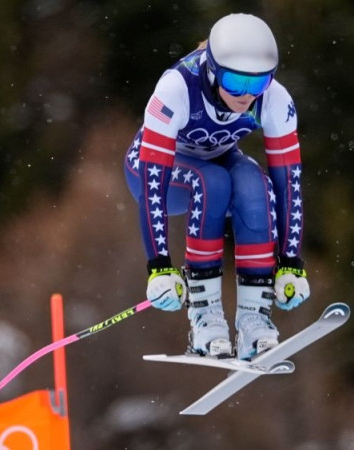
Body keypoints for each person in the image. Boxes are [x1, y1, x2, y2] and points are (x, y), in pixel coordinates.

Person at [124, 13, 310, 360]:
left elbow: (290, 182)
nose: (245, 96)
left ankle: (255, 320)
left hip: (216, 161)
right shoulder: (177, 88)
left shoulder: (275, 99)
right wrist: (159, 266)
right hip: (156, 174)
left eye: (256, 84)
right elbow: (153, 182)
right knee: (212, 182)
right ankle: (204, 319)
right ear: (212, 70)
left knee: (256, 184)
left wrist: (291, 262)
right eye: (235, 82)